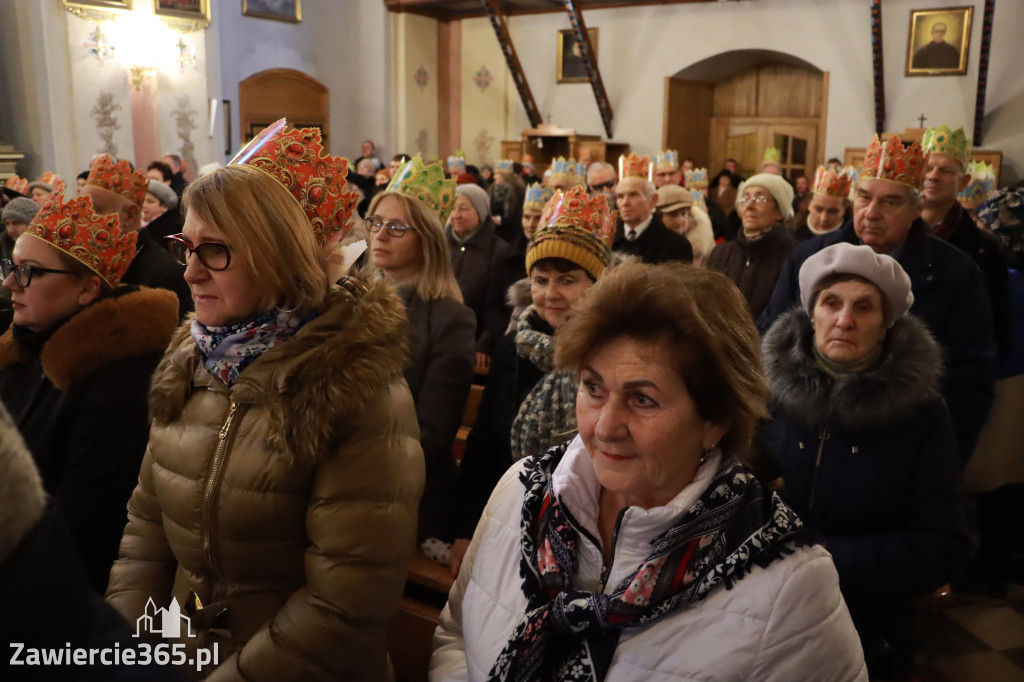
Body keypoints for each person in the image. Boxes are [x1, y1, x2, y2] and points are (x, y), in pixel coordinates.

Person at [433, 260, 868, 681]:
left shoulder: (789, 583)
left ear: (714, 420)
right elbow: (457, 636)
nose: (605, 427)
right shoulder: (521, 491)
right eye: (593, 388)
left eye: (643, 400)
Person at [106, 126, 424, 680]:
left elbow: (343, 605)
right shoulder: (191, 358)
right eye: (186, 247)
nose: (190, 271)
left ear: (285, 257)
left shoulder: (359, 388)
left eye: (217, 250)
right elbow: (147, 535)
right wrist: (133, 652)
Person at [761, 242, 969, 679]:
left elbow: (942, 544)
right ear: (810, 313)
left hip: (866, 620)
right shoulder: (767, 396)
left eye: (864, 308)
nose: (844, 320)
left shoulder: (921, 413)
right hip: (761, 610)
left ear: (886, 326)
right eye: (831, 303)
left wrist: (822, 559)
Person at [762, 134, 997, 463]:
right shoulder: (808, 257)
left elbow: (970, 379)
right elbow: (772, 341)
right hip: (804, 441)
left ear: (917, 208)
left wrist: (941, 458)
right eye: (863, 197)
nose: (871, 212)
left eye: (890, 202)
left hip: (900, 448)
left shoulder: (956, 273)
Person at [0, 184, 179, 593]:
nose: (11, 283)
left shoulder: (119, 379)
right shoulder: (20, 352)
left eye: (30, 270)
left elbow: (85, 527)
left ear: (86, 288)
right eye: (12, 267)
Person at [451, 184, 615, 578]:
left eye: (567, 280)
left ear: (596, 283)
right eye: (541, 280)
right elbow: (486, 445)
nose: (551, 294)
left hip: (592, 535)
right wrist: (465, 527)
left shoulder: (612, 355)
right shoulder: (515, 347)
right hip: (512, 516)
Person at [367, 157, 475, 542]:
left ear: (426, 238)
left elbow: (430, 434)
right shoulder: (348, 299)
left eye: (397, 227)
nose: (380, 235)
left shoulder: (450, 318)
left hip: (407, 494)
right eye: (376, 222)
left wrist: (346, 461)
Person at [921, 124, 1011, 363]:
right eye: (927, 168)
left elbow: (993, 328)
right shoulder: (890, 234)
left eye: (945, 170)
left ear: (964, 182)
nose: (932, 176)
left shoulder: (985, 250)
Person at [83, 155, 193, 320]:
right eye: (83, 206)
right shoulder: (90, 261)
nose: (85, 217)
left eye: (96, 208)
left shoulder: (165, 273)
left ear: (130, 215)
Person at [706, 173, 795, 318]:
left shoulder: (794, 256)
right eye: (745, 198)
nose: (749, 206)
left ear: (779, 211)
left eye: (760, 199)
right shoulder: (721, 252)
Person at [446, 181, 507, 366]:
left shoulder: (499, 251)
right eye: (453, 208)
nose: (456, 215)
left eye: (463, 209)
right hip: (441, 337)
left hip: (475, 340)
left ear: (480, 213)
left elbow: (498, 304)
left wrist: (484, 344)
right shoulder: (440, 246)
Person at [612, 153, 693, 264]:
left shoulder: (676, 245)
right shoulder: (607, 238)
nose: (625, 203)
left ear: (653, 200)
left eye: (633, 195)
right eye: (620, 196)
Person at [655, 184, 714, 266]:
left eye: (683, 214)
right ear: (658, 215)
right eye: (673, 215)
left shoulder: (701, 240)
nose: (680, 221)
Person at [792, 165, 854, 242]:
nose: (824, 218)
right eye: (818, 210)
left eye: (833, 212)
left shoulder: (853, 240)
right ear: (809, 205)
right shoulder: (791, 236)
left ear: (844, 210)